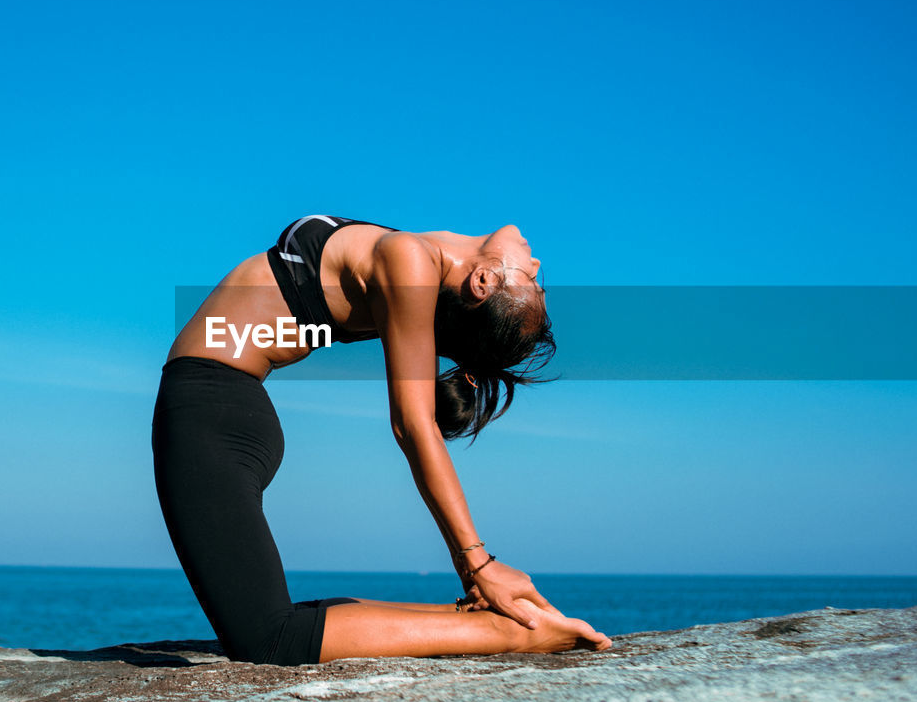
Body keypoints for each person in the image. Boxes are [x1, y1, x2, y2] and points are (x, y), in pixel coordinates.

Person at [152, 215, 611, 665]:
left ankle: (505, 632)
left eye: (534, 284)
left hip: (209, 410)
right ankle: (492, 622)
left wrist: (478, 565)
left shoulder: (408, 259)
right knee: (269, 621)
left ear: (484, 281)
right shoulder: (416, 264)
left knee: (267, 637)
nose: (536, 268)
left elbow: (414, 424)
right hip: (225, 408)